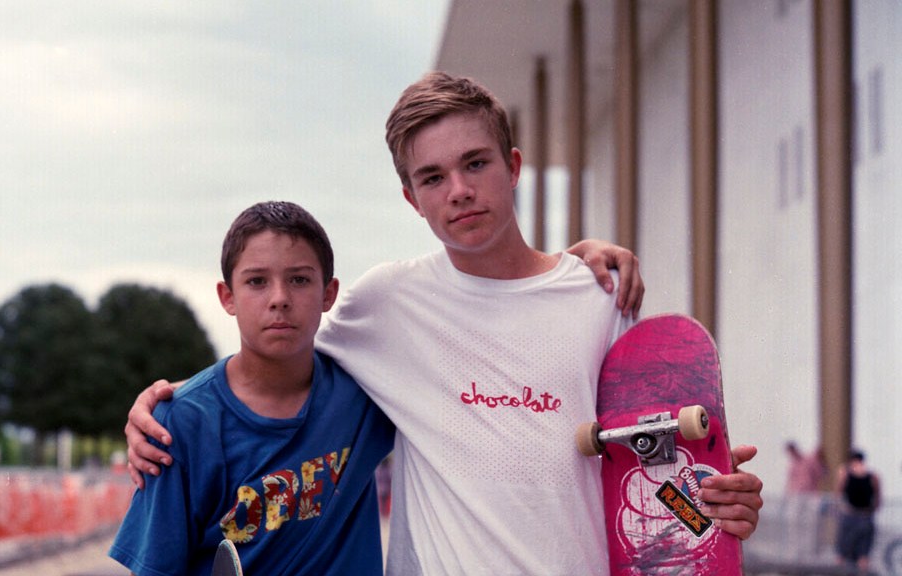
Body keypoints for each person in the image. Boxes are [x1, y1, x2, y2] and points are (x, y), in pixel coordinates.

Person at [126, 72, 763, 575]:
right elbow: (275, 344)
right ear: (412, 198)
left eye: (476, 164)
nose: (458, 190)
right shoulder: (387, 302)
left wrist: (715, 498)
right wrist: (166, 408)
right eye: (433, 177)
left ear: (513, 167)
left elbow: (649, 461)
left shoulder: (599, 296)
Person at [108, 201, 396, 575]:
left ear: (329, 293)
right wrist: (181, 401)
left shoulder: (366, 393)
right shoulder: (178, 426)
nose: (279, 298)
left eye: (299, 279)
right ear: (228, 297)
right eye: (257, 281)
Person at [835, 449, 880, 571]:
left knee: (842, 554)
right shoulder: (872, 476)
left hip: (850, 515)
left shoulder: (845, 473)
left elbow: (838, 492)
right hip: (866, 515)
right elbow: (877, 499)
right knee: (863, 555)